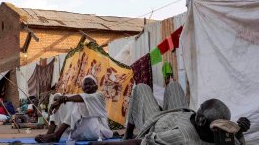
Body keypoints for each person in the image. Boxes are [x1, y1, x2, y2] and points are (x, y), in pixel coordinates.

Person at [93, 82, 250, 144]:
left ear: (201, 121)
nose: (198, 108)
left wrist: (104, 144)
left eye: (200, 109)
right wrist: (239, 130)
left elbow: (141, 143)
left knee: (141, 88)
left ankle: (128, 132)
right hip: (180, 113)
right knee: (174, 85)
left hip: (158, 122)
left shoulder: (182, 137)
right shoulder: (220, 133)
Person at [35, 75, 113, 143]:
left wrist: (60, 101)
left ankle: (57, 135)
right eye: (85, 84)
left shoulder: (99, 95)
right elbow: (68, 98)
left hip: (97, 131)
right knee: (57, 97)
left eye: (90, 84)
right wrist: (58, 101)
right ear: (82, 88)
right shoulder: (81, 96)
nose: (88, 86)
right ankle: (50, 133)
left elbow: (80, 98)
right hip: (80, 133)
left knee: (78, 103)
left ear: (96, 86)